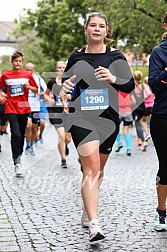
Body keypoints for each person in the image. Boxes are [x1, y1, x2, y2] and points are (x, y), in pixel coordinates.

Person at [59, 12, 134, 243]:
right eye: (93, 25)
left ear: (106, 31)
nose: (97, 29)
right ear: (86, 29)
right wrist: (64, 89)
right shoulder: (76, 56)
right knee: (91, 167)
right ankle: (94, 225)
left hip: (108, 120)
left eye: (101, 26)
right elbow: (66, 83)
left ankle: (87, 206)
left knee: (98, 171)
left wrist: (113, 78)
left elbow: (129, 86)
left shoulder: (116, 56)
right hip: (82, 118)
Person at [0, 51, 38, 176]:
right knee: (15, 134)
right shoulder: (6, 75)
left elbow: (36, 89)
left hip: (24, 108)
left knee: (21, 135)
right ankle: (16, 162)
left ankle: (19, 158)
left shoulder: (27, 74)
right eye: (16, 61)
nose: (18, 63)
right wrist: (1, 95)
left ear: (22, 62)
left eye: (20, 61)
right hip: (10, 108)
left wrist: (29, 87)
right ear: (12, 62)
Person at [148, 12, 167, 231]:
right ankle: (161, 211)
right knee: (166, 166)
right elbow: (154, 85)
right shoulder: (158, 52)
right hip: (163, 116)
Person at [44, 61, 71, 168]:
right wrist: (49, 100)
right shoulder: (52, 82)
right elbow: (45, 94)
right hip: (56, 112)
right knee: (61, 134)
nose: (61, 70)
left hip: (68, 112)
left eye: (63, 67)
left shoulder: (70, 82)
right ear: (56, 69)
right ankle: (63, 159)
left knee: (67, 138)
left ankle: (66, 145)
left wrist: (71, 97)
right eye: (59, 68)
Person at [24, 62, 47, 155]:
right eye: (27, 70)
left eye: (31, 70)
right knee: (27, 126)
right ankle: (27, 144)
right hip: (25, 106)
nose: (29, 71)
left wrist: (41, 94)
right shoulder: (22, 78)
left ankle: (31, 145)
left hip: (35, 106)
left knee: (34, 128)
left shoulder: (38, 79)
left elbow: (46, 90)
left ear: (33, 70)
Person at [131, 70, 150, 151]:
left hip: (135, 107)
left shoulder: (132, 85)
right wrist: (142, 98)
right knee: (141, 122)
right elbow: (149, 93)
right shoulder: (143, 85)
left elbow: (132, 99)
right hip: (143, 107)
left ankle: (143, 142)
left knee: (138, 124)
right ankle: (139, 140)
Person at [115, 91, 133, 156]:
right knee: (126, 131)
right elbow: (134, 102)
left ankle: (119, 143)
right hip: (128, 111)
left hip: (119, 111)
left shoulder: (117, 92)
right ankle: (128, 148)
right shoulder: (128, 92)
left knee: (116, 129)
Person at [141, 76, 155, 141]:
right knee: (153, 122)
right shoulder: (153, 88)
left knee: (143, 120)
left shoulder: (144, 89)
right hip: (153, 106)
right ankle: (154, 133)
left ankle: (147, 133)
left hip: (146, 106)